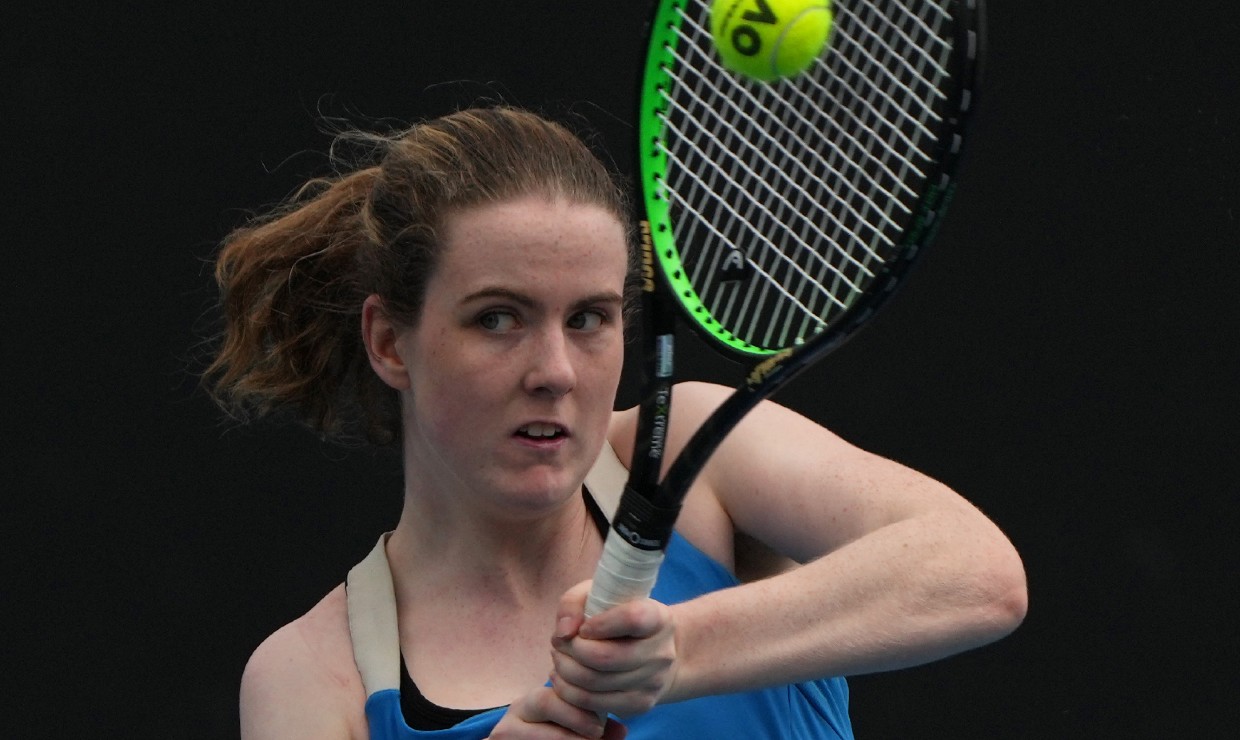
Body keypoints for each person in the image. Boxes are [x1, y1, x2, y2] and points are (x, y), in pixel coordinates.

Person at [206, 106, 1027, 739]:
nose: (555, 372)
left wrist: (685, 652)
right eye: (497, 319)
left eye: (590, 319)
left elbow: (978, 576)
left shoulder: (695, 464)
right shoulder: (314, 678)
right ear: (391, 341)